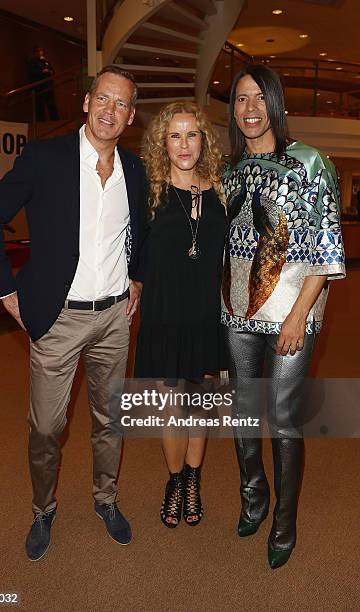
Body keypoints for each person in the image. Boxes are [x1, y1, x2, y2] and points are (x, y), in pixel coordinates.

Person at [0, 66, 148, 560]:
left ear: (130, 116)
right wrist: (6, 291)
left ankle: (106, 499)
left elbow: (141, 233)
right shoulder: (45, 158)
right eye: (104, 99)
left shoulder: (134, 170)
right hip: (58, 318)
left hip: (114, 318)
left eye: (122, 104)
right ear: (88, 102)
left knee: (111, 419)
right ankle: (43, 509)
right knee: (47, 427)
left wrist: (136, 277)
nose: (111, 110)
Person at [222, 65, 345, 568]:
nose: (250, 109)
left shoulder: (311, 162)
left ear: (276, 104)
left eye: (259, 98)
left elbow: (326, 244)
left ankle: (284, 521)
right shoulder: (228, 170)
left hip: (293, 313)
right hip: (234, 312)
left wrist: (297, 316)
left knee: (285, 420)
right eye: (241, 99)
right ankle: (254, 497)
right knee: (244, 415)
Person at [134, 101, 227, 528]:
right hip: (163, 315)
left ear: (203, 139)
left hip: (206, 316)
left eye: (192, 134)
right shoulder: (147, 189)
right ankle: (174, 481)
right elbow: (128, 250)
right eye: (175, 135)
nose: (184, 143)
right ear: (162, 142)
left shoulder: (222, 190)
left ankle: (193, 478)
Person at [28, 46, 59, 121]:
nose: (41, 53)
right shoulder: (33, 61)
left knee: (51, 104)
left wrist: (49, 71)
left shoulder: (46, 61)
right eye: (39, 51)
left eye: (41, 51)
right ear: (35, 53)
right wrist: (43, 72)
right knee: (40, 106)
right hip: (40, 87)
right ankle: (41, 121)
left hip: (49, 86)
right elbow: (33, 72)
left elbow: (53, 71)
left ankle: (54, 120)